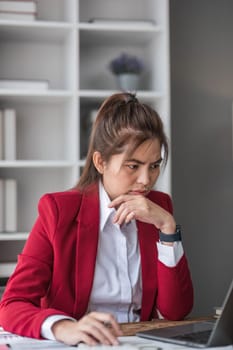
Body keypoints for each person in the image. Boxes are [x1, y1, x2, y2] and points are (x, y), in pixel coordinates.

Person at [0, 92, 193, 346]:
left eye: (154, 165)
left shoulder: (158, 208)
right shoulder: (58, 211)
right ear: (100, 162)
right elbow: (12, 304)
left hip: (140, 343)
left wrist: (167, 227)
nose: (146, 180)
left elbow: (175, 313)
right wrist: (63, 326)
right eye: (133, 166)